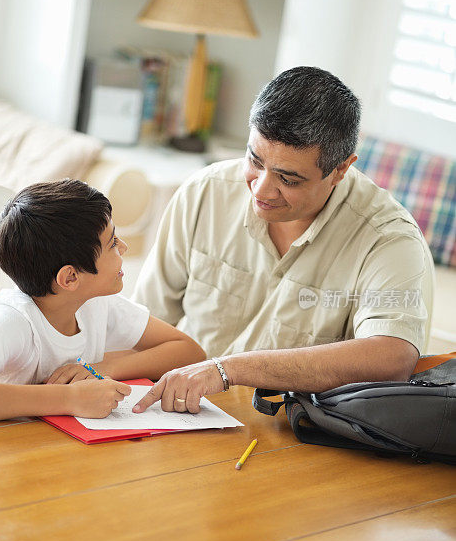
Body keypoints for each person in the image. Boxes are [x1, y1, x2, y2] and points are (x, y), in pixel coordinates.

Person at [132, 66, 434, 415]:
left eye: (288, 179)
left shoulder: (388, 240)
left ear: (340, 169)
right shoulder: (206, 192)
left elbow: (392, 358)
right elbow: (144, 323)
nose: (260, 189)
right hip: (179, 415)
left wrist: (228, 369)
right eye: (254, 161)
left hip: (288, 440)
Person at [0, 180, 205, 422]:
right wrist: (69, 398)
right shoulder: (13, 321)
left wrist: (100, 370)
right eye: (112, 243)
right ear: (70, 278)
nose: (124, 248)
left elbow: (189, 352)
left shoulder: (95, 302)